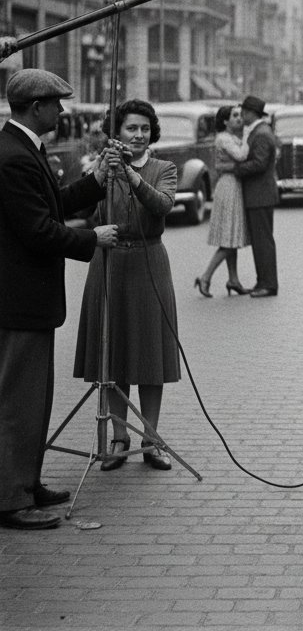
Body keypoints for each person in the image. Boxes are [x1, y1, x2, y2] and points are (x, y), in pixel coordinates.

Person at [0, 69, 119, 530]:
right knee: (17, 401)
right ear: (35, 107)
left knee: (36, 398)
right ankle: (10, 498)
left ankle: (26, 482)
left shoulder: (25, 148)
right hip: (18, 301)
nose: (62, 111)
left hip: (31, 301)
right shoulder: (13, 157)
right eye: (56, 103)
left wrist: (96, 179)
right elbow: (38, 230)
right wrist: (93, 238)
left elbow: (55, 204)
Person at [73, 99, 180, 472]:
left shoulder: (163, 168)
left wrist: (133, 177)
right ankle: (119, 436)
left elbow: (162, 205)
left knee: (151, 355)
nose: (137, 135)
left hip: (149, 261)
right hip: (109, 262)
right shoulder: (104, 169)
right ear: (116, 133)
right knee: (113, 351)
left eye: (144, 129)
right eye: (130, 128)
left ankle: (151, 439)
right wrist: (101, 173)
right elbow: (80, 212)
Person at [196, 103, 250, 297]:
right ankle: (205, 277)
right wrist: (248, 137)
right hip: (229, 186)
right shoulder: (224, 138)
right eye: (234, 116)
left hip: (232, 185)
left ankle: (233, 279)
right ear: (225, 121)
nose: (239, 118)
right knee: (228, 239)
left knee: (231, 235)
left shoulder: (230, 137)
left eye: (240, 115)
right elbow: (241, 155)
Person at [235, 95, 279, 298]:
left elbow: (259, 163)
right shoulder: (261, 131)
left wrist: (237, 169)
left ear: (251, 113)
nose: (242, 116)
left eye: (244, 112)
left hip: (259, 194)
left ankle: (268, 284)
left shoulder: (260, 133)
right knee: (262, 240)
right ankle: (263, 281)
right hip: (260, 194)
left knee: (263, 241)